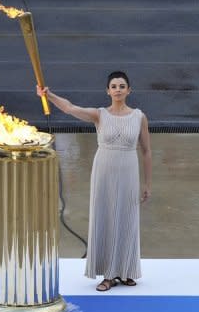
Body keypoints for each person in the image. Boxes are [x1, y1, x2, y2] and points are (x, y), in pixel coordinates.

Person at [37, 71, 152, 291]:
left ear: (129, 90)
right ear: (108, 91)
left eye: (122, 86)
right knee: (106, 217)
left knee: (127, 218)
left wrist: (148, 184)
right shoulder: (99, 114)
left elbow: (147, 151)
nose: (118, 89)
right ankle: (108, 274)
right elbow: (71, 108)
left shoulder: (139, 116)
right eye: (114, 86)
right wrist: (49, 95)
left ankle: (126, 270)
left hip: (128, 169)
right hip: (104, 171)